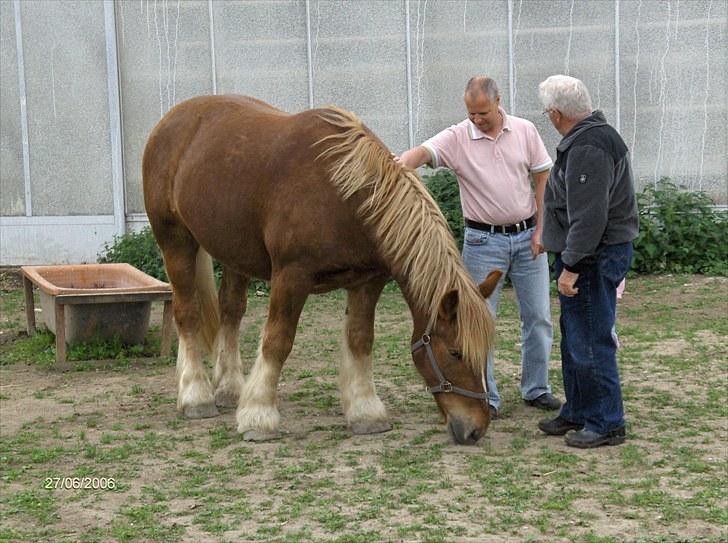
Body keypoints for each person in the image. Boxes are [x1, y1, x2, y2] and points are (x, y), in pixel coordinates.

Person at [398, 76, 561, 418]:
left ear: (498, 101)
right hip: (483, 241)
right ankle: (487, 397)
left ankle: (536, 388)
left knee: (538, 318)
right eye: (471, 113)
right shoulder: (458, 136)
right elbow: (425, 152)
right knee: (476, 322)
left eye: (483, 112)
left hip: (528, 236)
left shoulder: (525, 131)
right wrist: (399, 166)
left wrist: (541, 230)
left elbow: (543, 177)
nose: (477, 119)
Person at [536, 74, 639, 448]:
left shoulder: (589, 147)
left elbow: (590, 216)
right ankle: (578, 410)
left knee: (592, 340)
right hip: (589, 255)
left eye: (548, 112)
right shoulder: (591, 137)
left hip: (592, 258)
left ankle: (607, 422)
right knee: (575, 337)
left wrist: (572, 266)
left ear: (557, 113)